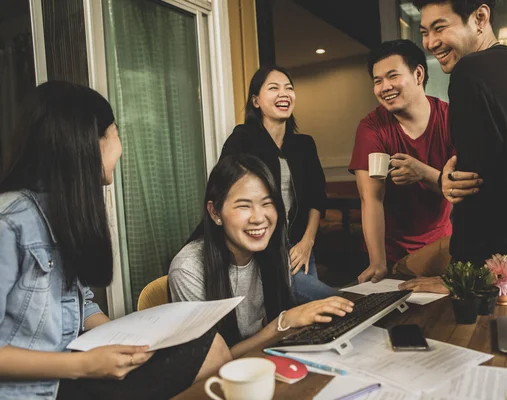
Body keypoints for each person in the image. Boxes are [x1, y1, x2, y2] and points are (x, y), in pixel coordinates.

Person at [0, 81, 231, 400]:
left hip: (67, 376)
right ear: (86, 143)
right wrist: (84, 365)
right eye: (115, 131)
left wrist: (127, 340)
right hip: (35, 390)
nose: (120, 145)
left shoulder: (61, 211)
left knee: (211, 347)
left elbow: (81, 305)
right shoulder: (9, 222)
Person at [402, 0, 507, 292]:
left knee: (402, 280)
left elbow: (473, 192)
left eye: (440, 28)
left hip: (506, 276)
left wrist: (460, 278)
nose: (430, 43)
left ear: (480, 17)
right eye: (424, 32)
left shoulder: (469, 71)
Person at [168, 154, 354, 354]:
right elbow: (210, 363)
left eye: (267, 203)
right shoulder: (188, 269)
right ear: (215, 213)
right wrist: (282, 323)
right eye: (244, 206)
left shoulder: (273, 251)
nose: (259, 218)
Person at [349, 39, 481, 284]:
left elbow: (462, 187)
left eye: (392, 76)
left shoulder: (451, 118)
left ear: (418, 74)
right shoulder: (371, 129)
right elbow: (372, 199)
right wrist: (378, 263)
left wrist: (422, 173)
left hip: (443, 248)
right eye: (377, 81)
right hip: (392, 256)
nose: (384, 87)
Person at [219, 65, 335, 303]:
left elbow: (316, 197)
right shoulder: (242, 139)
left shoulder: (304, 144)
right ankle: (360, 303)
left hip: (298, 245)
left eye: (289, 88)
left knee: (314, 315)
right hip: (258, 245)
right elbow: (224, 193)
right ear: (256, 100)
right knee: (327, 300)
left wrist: (307, 243)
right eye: (274, 88)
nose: (284, 93)